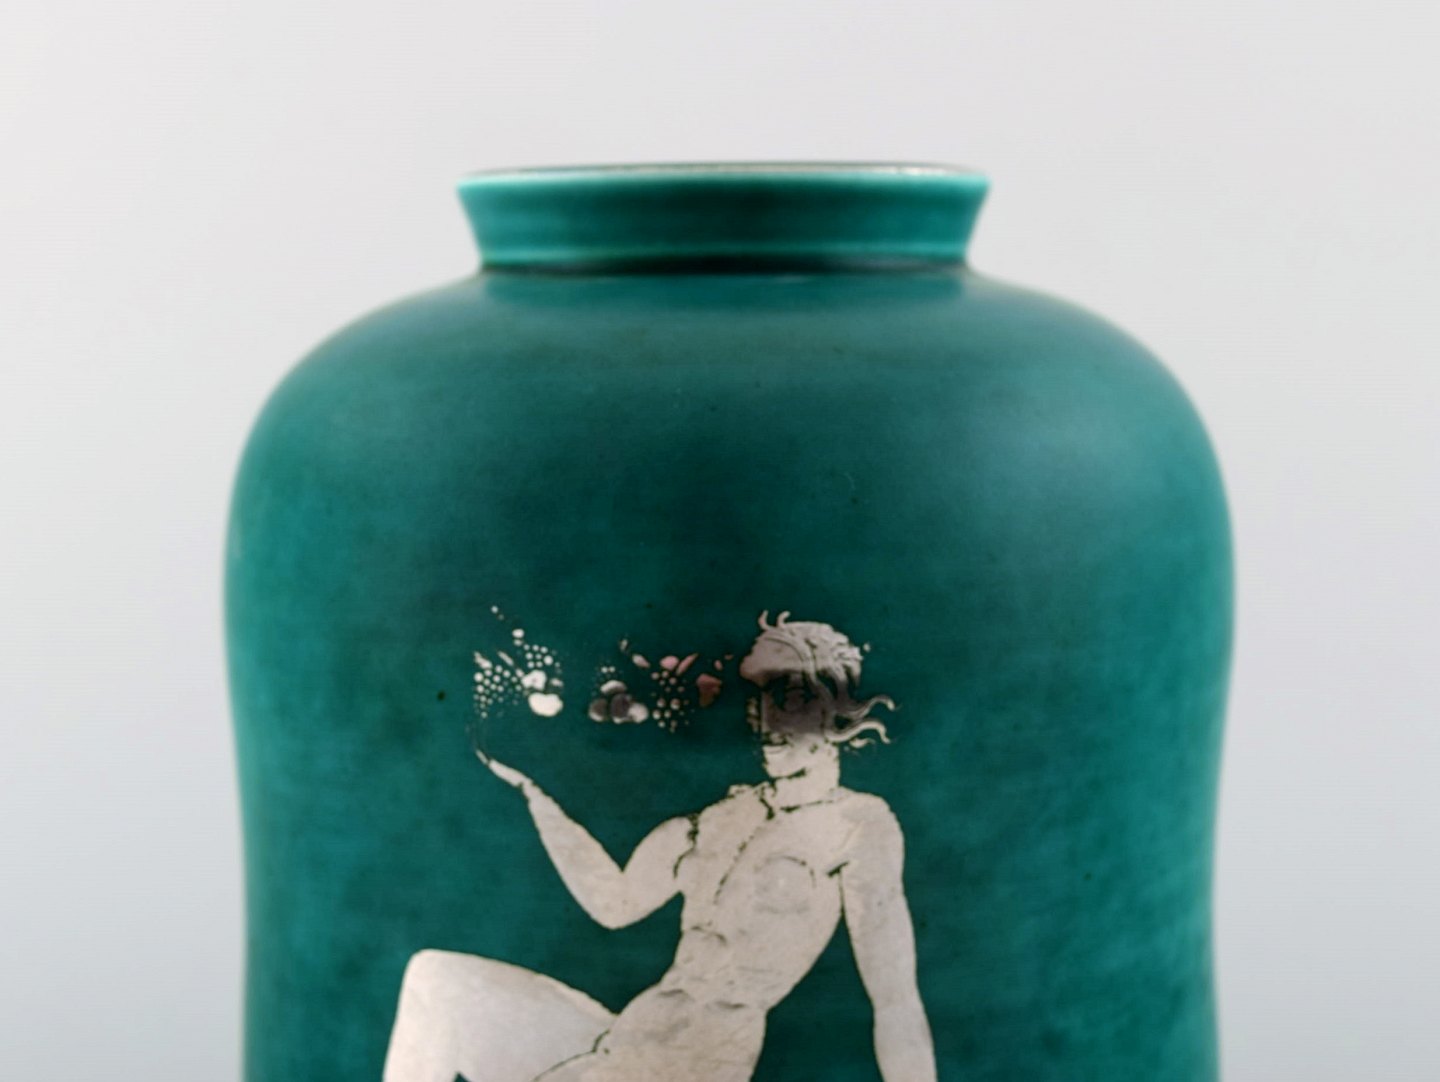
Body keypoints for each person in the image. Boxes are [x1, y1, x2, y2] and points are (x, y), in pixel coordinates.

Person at [384, 613, 936, 1082]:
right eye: (758, 699)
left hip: (696, 1066)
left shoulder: (859, 825)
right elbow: (614, 903)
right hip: (625, 1043)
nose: (767, 719)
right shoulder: (720, 817)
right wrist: (536, 794)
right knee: (436, 981)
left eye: (789, 698)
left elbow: (894, 1000)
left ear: (834, 709)